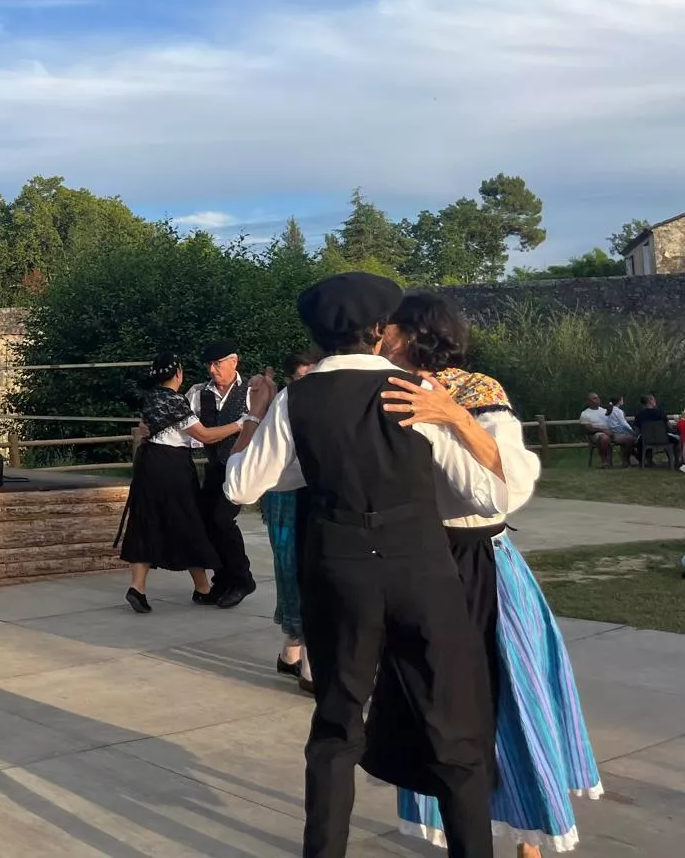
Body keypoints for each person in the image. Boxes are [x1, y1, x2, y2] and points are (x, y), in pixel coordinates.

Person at [225, 272, 507, 858]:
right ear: (379, 331)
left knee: (336, 726)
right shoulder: (420, 391)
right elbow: (486, 497)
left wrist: (258, 415)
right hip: (422, 569)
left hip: (339, 567)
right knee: (452, 729)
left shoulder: (296, 399)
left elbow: (241, 485)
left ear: (319, 334)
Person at [375, 293, 600, 858]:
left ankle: (528, 831)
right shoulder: (384, 390)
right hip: (421, 558)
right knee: (436, 701)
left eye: (391, 329)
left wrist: (452, 417)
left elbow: (511, 488)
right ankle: (465, 827)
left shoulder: (478, 392)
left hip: (483, 560)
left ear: (414, 334)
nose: (380, 337)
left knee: (507, 694)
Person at [117, 354, 223, 613]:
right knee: (187, 520)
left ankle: (137, 588)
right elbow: (205, 435)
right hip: (172, 465)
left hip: (148, 462)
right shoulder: (175, 401)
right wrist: (242, 424)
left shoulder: (152, 397)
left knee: (145, 520)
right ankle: (203, 589)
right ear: (178, 374)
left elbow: (144, 428)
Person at [259, 351, 318, 694]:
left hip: (313, 493)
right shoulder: (283, 405)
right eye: (300, 378)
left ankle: (292, 653)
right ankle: (308, 666)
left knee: (304, 569)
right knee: (292, 567)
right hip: (286, 495)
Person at [188, 341, 257, 608]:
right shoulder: (198, 393)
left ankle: (242, 579)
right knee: (205, 520)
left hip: (242, 466)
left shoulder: (252, 391)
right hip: (216, 466)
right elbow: (183, 422)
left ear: (234, 362)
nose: (213, 370)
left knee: (221, 519)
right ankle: (223, 579)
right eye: (209, 365)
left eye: (218, 363)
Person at [578, 392, 635, 468]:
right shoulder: (585, 413)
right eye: (594, 398)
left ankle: (626, 460)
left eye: (598, 398)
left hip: (611, 432)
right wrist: (602, 430)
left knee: (629, 438)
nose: (598, 399)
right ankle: (605, 462)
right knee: (604, 438)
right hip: (596, 433)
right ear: (589, 401)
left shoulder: (605, 410)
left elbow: (614, 420)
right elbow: (588, 429)